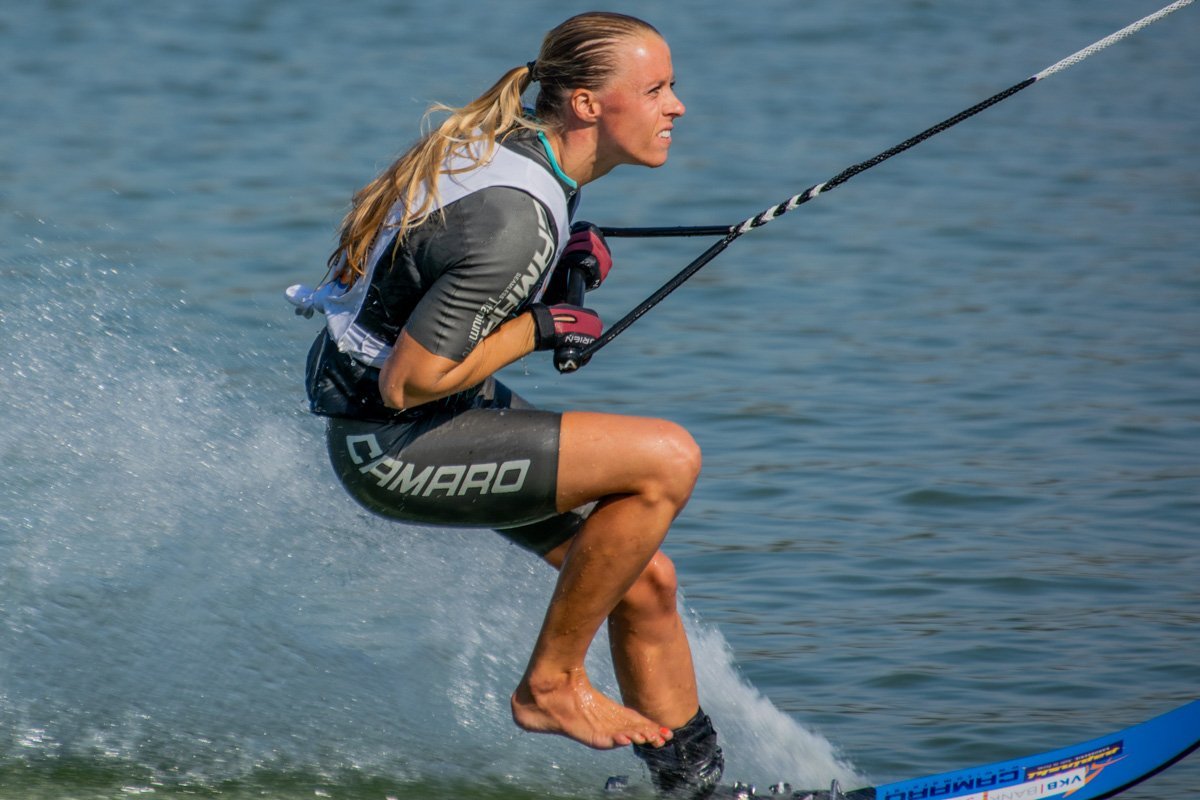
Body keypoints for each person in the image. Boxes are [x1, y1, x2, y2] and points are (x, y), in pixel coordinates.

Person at [287, 12, 723, 798]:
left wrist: (557, 267)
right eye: (656, 89)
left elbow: (446, 274)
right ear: (588, 104)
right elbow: (410, 382)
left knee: (642, 578)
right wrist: (540, 323)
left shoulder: (523, 158)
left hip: (420, 417)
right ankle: (550, 686)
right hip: (394, 443)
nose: (677, 106)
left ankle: (691, 788)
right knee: (668, 460)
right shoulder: (516, 217)